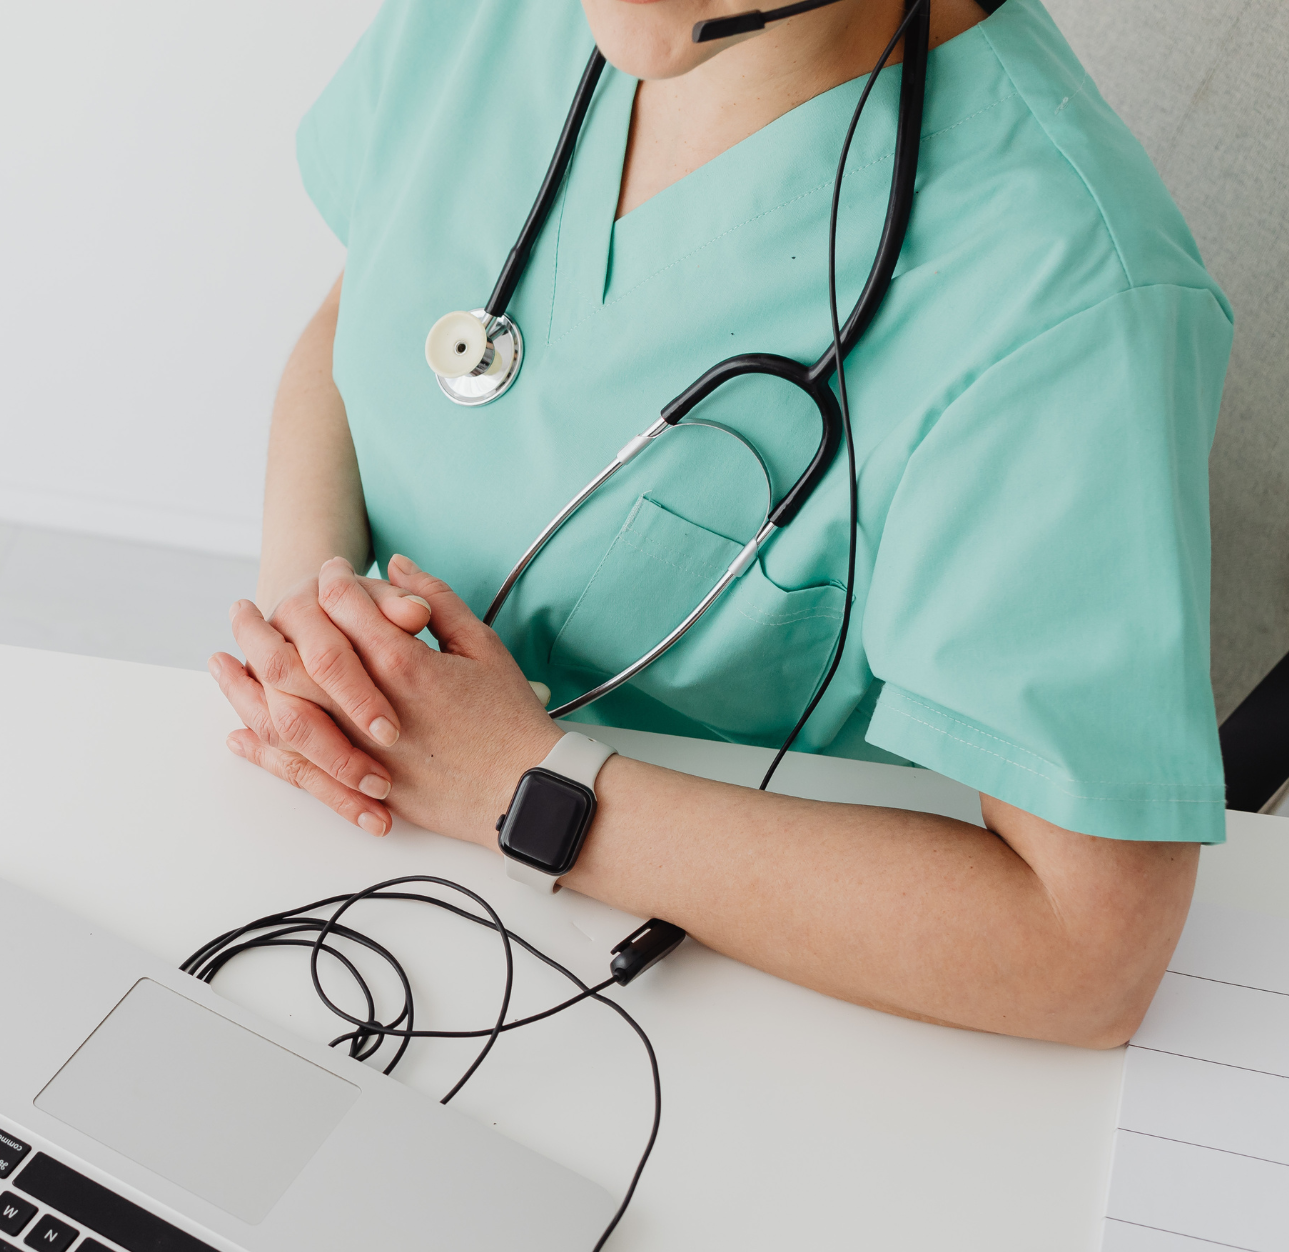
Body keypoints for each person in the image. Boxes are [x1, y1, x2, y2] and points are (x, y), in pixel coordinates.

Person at [208, 0, 1232, 1048]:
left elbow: (1085, 953)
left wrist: (528, 789)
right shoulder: (490, 21)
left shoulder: (1065, 298)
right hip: (355, 871)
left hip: (721, 997)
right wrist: (314, 609)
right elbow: (357, 315)